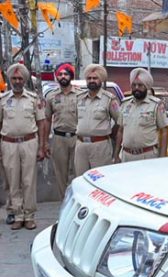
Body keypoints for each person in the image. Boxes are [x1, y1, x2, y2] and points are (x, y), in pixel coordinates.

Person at [0, 63, 47, 230]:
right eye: (14, 78)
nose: (17, 81)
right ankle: (18, 215)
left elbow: (41, 123)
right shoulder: (3, 100)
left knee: (29, 181)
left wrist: (42, 147)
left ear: (25, 80)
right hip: (8, 144)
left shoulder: (33, 99)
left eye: (20, 78)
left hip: (29, 143)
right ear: (10, 79)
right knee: (13, 182)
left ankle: (29, 216)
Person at [114, 68, 168, 163]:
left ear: (146, 86)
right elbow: (120, 131)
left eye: (140, 85)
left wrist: (162, 156)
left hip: (147, 155)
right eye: (134, 85)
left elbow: (164, 131)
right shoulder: (125, 104)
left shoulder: (156, 105)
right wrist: (116, 154)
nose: (136, 88)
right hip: (127, 155)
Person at [74, 64, 120, 176]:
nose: (92, 81)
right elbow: (76, 120)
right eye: (89, 78)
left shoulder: (109, 99)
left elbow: (120, 123)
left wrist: (110, 134)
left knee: (100, 179)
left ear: (101, 80)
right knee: (81, 178)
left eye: (95, 78)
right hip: (81, 145)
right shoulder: (79, 98)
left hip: (100, 145)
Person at [45, 63, 78, 198]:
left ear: (71, 76)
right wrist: (45, 142)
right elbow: (47, 119)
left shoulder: (80, 95)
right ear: (56, 77)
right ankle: (63, 203)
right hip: (59, 139)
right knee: (60, 174)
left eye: (66, 74)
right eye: (60, 74)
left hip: (77, 138)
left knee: (78, 173)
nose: (63, 76)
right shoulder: (51, 96)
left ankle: (76, 202)